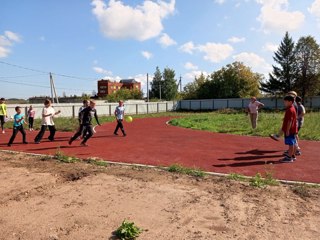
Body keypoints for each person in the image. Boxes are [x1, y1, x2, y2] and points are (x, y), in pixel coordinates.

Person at [280, 95, 298, 163]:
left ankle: (289, 158)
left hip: (290, 130)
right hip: (292, 130)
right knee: (293, 142)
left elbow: (290, 121)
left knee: (291, 143)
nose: (284, 103)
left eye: (285, 102)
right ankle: (292, 155)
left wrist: (287, 130)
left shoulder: (290, 110)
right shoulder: (292, 108)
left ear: (290, 102)